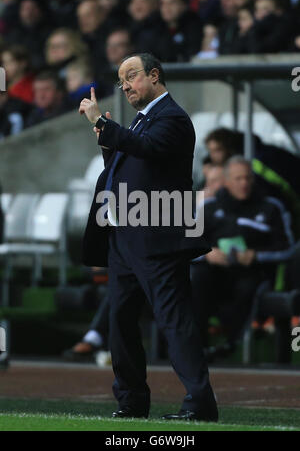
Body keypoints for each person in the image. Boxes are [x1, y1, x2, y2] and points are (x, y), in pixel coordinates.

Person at [79, 52, 218, 421]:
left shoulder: (171, 117)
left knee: (174, 321)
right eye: (121, 80)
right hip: (126, 235)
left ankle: (201, 403)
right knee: (120, 323)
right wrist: (109, 145)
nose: (125, 85)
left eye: (132, 76)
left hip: (158, 236)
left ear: (154, 76)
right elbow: (133, 167)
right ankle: (132, 400)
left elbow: (150, 150)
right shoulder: (141, 123)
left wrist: (105, 127)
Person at [191, 156, 294, 358]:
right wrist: (208, 254)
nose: (244, 183)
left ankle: (232, 344)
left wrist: (255, 255)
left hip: (253, 272)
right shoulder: (208, 208)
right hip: (215, 271)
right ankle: (196, 347)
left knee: (247, 287)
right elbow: (186, 248)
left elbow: (289, 249)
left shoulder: (272, 207)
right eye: (238, 179)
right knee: (198, 278)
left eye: (247, 178)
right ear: (227, 180)